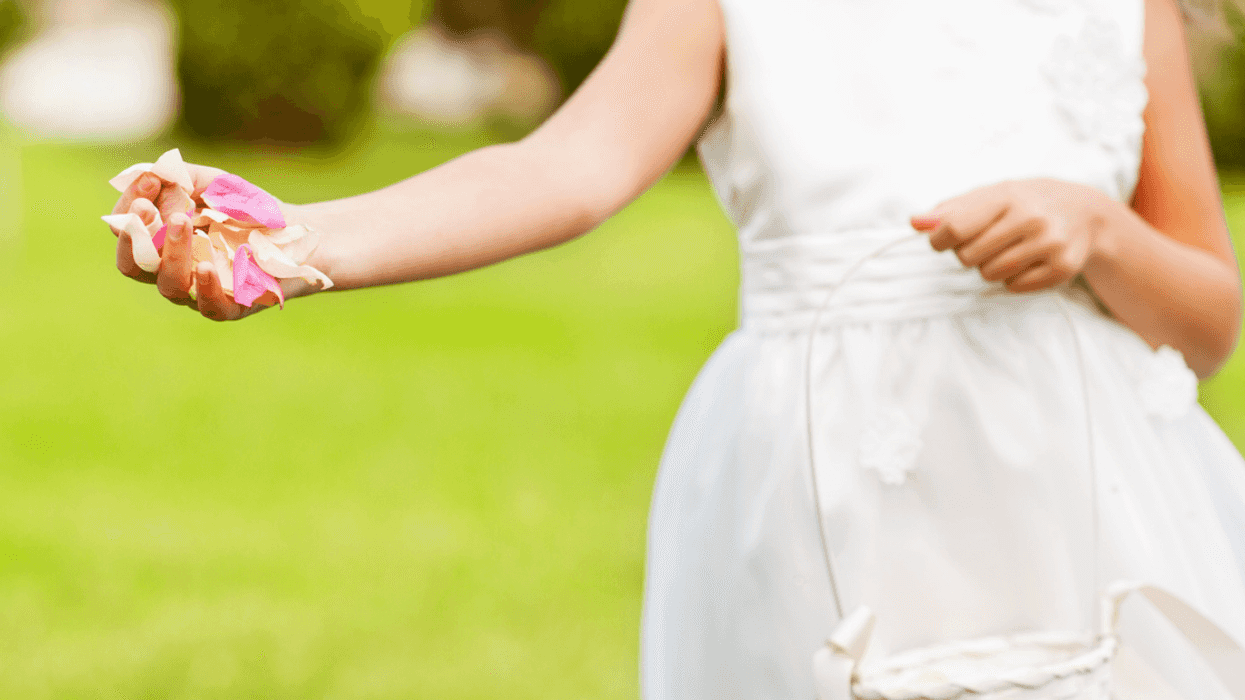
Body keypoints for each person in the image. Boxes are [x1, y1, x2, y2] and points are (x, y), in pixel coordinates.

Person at [108, 0, 1245, 697]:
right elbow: (566, 167)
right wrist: (299, 242)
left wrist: (1096, 230)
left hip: (1079, 504)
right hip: (826, 493)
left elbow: (1207, 320)